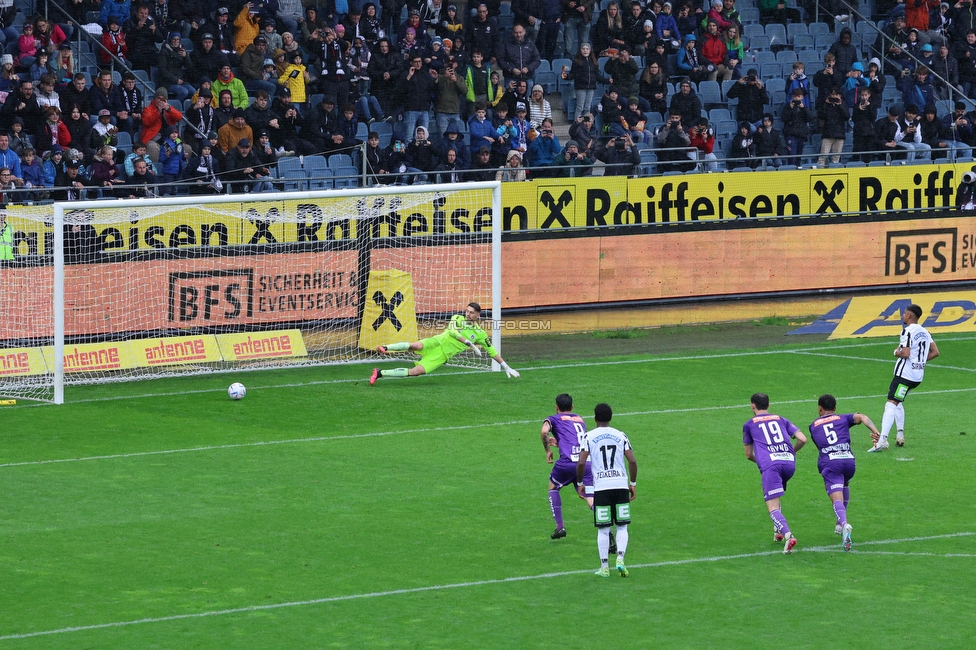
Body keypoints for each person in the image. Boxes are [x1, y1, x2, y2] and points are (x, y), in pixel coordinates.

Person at [370, 302, 519, 382]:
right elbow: (453, 332)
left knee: (416, 372)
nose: (467, 314)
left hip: (442, 356)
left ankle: (379, 373)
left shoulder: (479, 333)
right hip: (437, 342)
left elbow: (491, 350)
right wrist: (469, 343)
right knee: (415, 345)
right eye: (467, 311)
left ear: (478, 315)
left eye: (471, 312)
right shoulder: (457, 318)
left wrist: (506, 366)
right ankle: (385, 347)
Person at [808, 394, 880, 552]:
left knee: (836, 498)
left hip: (831, 463)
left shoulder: (813, 426)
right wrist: (876, 431)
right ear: (835, 408)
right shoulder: (842, 418)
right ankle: (839, 524)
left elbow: (820, 446)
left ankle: (845, 524)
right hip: (849, 462)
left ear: (820, 409)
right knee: (845, 483)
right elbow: (862, 417)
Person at [869, 304, 941, 452]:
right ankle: (900, 435)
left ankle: (882, 439)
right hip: (917, 377)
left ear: (909, 315)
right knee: (898, 401)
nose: (903, 316)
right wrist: (919, 362)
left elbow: (905, 353)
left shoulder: (907, 331)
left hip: (904, 375)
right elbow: (935, 352)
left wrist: (896, 352)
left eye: (904, 314)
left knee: (890, 404)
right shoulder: (925, 332)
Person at [577, 402, 636, 578]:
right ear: (610, 418)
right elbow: (632, 461)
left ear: (595, 418)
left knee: (603, 529)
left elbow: (581, 462)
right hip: (620, 485)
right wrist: (632, 483)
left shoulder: (588, 436)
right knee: (622, 526)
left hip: (601, 487)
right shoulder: (621, 435)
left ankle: (604, 567)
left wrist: (580, 482)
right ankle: (620, 559)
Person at [742, 392, 807, 554]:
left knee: (772, 507)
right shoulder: (781, 419)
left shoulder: (749, 424)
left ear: (752, 406)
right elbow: (803, 439)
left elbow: (748, 454)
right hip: (789, 464)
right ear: (769, 405)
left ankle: (788, 535)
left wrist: (764, 463)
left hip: (771, 466)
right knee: (776, 493)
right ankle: (777, 532)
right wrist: (791, 452)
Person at [541, 393, 597, 539]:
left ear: (556, 407)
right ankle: (607, 527)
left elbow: (544, 431)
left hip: (567, 463)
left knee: (553, 487)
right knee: (590, 497)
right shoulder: (580, 420)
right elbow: (576, 440)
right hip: (586, 463)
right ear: (572, 407)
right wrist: (559, 443)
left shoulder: (553, 418)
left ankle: (560, 527)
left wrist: (548, 450)